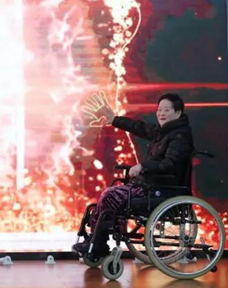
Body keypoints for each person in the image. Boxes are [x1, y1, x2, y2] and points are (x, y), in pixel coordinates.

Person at [73, 93, 194, 257]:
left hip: (162, 188)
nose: (161, 113)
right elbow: (140, 128)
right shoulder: (163, 132)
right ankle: (96, 240)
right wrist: (114, 120)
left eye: (166, 110)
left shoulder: (180, 137)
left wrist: (143, 166)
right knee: (107, 198)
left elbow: (170, 164)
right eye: (159, 110)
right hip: (149, 185)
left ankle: (98, 242)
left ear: (177, 113)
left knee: (111, 195)